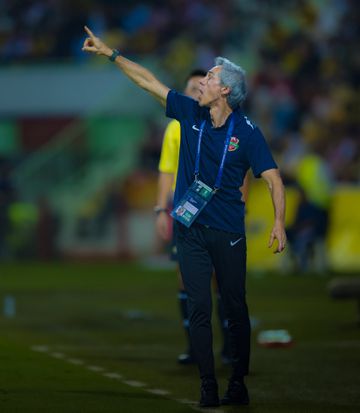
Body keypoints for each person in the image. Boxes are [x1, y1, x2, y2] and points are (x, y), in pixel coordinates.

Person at [82, 26, 286, 407]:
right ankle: (208, 384)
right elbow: (148, 82)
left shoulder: (248, 132)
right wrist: (111, 54)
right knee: (199, 308)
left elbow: (273, 179)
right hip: (190, 229)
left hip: (228, 231)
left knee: (235, 307)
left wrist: (278, 222)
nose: (202, 81)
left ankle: (237, 382)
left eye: (210, 77)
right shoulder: (189, 112)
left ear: (225, 90)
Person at [155, 69, 235, 365]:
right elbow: (166, 170)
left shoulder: (226, 123)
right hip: (186, 210)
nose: (195, 90)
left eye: (200, 85)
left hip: (217, 210)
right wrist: (160, 209)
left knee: (220, 278)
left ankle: (229, 347)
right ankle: (195, 348)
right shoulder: (176, 127)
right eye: (190, 87)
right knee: (185, 279)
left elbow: (241, 170)